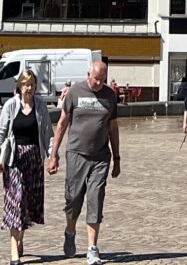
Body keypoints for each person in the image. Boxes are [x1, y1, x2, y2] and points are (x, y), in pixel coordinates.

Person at [47, 58, 121, 265]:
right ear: (89, 74)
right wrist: (54, 155)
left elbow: (113, 128)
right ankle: (70, 232)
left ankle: (92, 248)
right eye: (95, 79)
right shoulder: (75, 93)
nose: (98, 83)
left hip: (100, 157)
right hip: (76, 154)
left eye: (101, 80)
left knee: (95, 199)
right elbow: (62, 124)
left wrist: (117, 158)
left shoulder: (109, 96)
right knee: (73, 199)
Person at [0, 67, 50, 263]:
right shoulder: (10, 105)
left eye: (32, 85)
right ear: (19, 86)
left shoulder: (40, 106)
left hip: (33, 159)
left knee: (27, 204)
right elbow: (0, 132)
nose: (29, 88)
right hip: (13, 159)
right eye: (25, 85)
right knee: (15, 202)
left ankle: (20, 238)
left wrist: (52, 157)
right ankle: (14, 255)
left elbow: (48, 135)